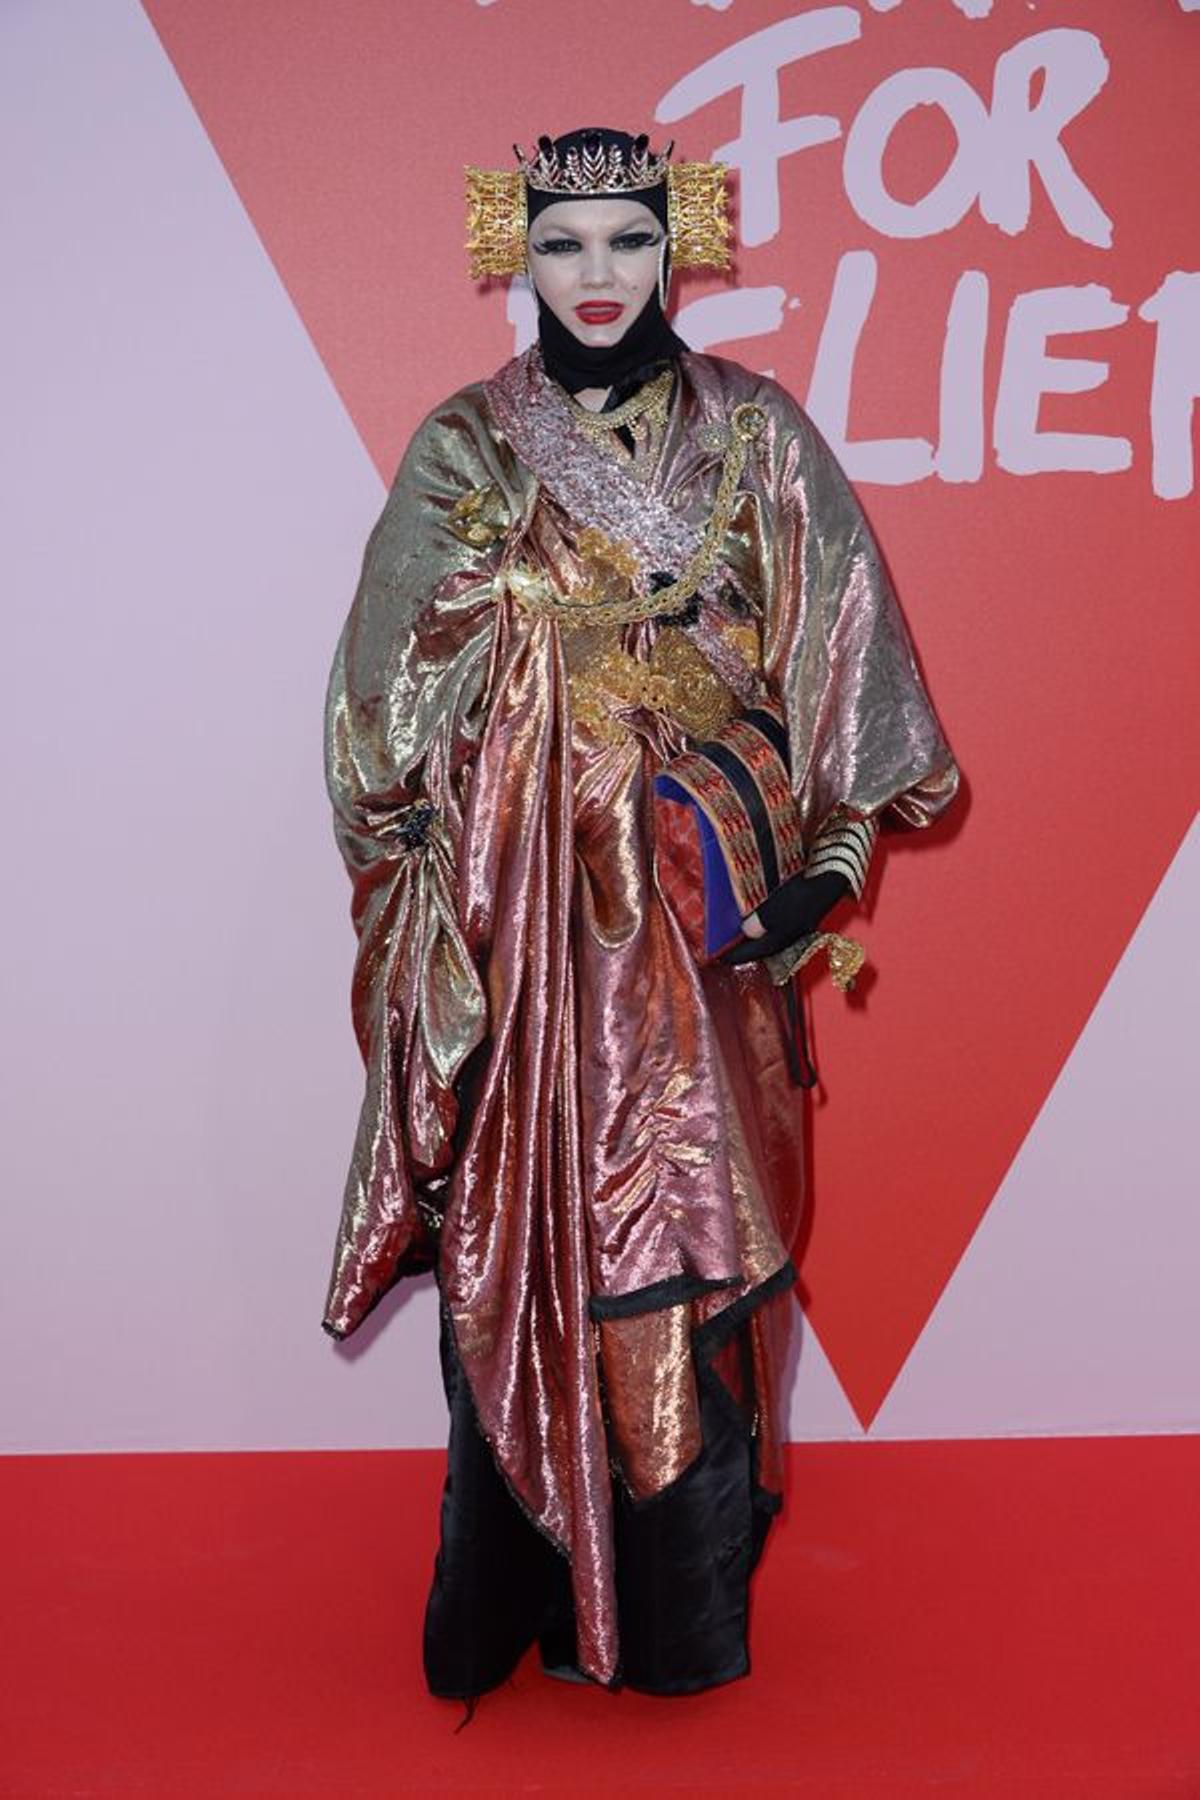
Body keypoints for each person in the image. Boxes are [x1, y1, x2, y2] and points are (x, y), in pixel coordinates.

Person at [320, 127, 959, 1701]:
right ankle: (519, 1577)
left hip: (705, 906)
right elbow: (379, 692)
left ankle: (679, 1609)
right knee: (529, 1222)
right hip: (530, 920)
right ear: (517, 256)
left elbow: (839, 648)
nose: (596, 277)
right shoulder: (468, 444)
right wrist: (513, 708)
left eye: (624, 242)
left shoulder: (756, 431)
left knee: (697, 1222)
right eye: (564, 246)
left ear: (676, 249)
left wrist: (823, 860)